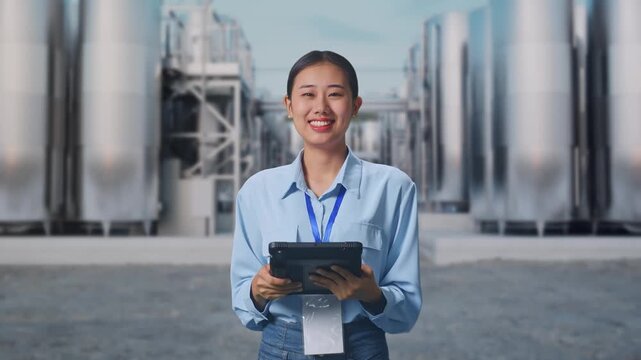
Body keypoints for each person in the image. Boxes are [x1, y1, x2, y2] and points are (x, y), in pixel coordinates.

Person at [230, 50, 421, 360]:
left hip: (362, 346)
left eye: (335, 94)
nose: (320, 107)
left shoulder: (393, 188)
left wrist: (371, 295)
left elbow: (407, 308)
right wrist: (257, 291)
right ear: (289, 106)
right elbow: (243, 302)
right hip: (282, 347)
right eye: (307, 94)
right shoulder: (257, 191)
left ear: (356, 106)